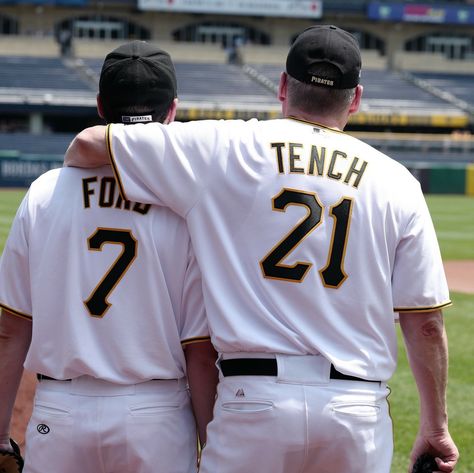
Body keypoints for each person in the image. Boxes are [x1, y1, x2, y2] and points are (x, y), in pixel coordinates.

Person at [64, 26, 459, 473]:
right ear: (355, 99)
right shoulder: (398, 182)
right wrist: (435, 427)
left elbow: (86, 145)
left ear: (283, 86)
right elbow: (425, 323)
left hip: (255, 401)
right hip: (356, 408)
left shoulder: (222, 146)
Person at [0, 40, 218, 473]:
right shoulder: (185, 206)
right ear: (172, 110)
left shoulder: (44, 192)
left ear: (100, 106)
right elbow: (199, 351)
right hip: (156, 416)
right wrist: (210, 447)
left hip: (59, 413)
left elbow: (10, 330)